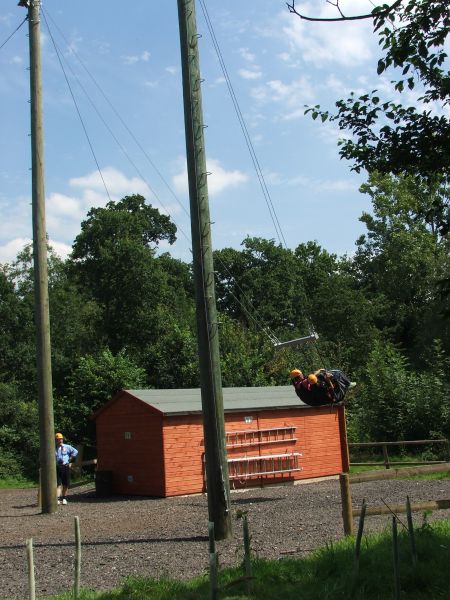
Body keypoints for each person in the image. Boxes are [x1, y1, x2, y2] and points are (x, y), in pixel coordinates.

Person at [290, 368, 356, 406]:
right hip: (322, 398)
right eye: (301, 374)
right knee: (335, 375)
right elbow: (311, 378)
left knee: (319, 379)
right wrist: (320, 371)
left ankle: (346, 384)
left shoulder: (298, 385)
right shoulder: (303, 384)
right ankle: (347, 383)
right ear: (300, 375)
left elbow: (311, 377)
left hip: (317, 400)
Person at [55, 432, 78, 505]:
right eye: (58, 439)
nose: (60, 441)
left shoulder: (67, 447)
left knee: (65, 484)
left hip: (65, 467)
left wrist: (70, 460)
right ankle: (57, 499)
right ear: (56, 440)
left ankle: (64, 498)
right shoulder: (53, 448)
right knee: (58, 484)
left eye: (61, 439)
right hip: (57, 467)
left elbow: (75, 451)